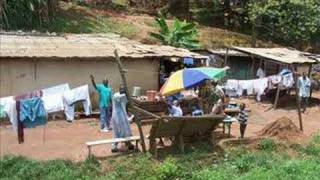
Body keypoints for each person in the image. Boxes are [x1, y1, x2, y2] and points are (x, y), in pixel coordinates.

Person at [111, 85, 134, 153]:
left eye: (123, 90)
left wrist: (129, 117)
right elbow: (124, 97)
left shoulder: (123, 96)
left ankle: (128, 144)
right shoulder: (116, 95)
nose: (122, 91)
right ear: (119, 89)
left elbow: (126, 105)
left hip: (122, 116)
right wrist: (127, 93)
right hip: (117, 117)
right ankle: (114, 146)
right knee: (118, 132)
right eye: (121, 89)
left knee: (126, 130)